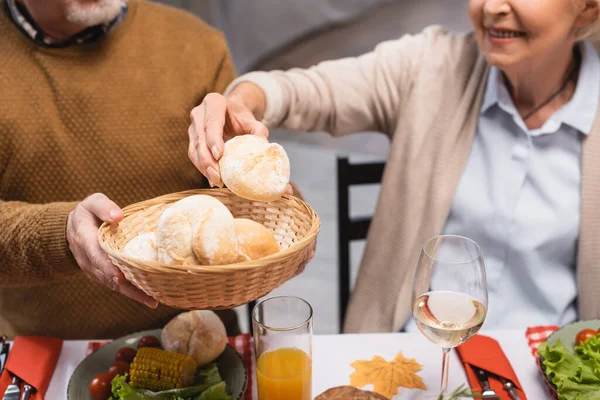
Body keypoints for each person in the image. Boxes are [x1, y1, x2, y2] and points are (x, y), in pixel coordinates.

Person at [189, 0, 600, 333]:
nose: (492, 7)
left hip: (551, 368)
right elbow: (307, 91)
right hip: (413, 355)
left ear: (587, 9)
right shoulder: (431, 65)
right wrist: (243, 102)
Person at [0, 0, 243, 339]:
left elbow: (239, 208)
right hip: (47, 353)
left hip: (201, 341)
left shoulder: (197, 44)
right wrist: (63, 233)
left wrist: (265, 199)